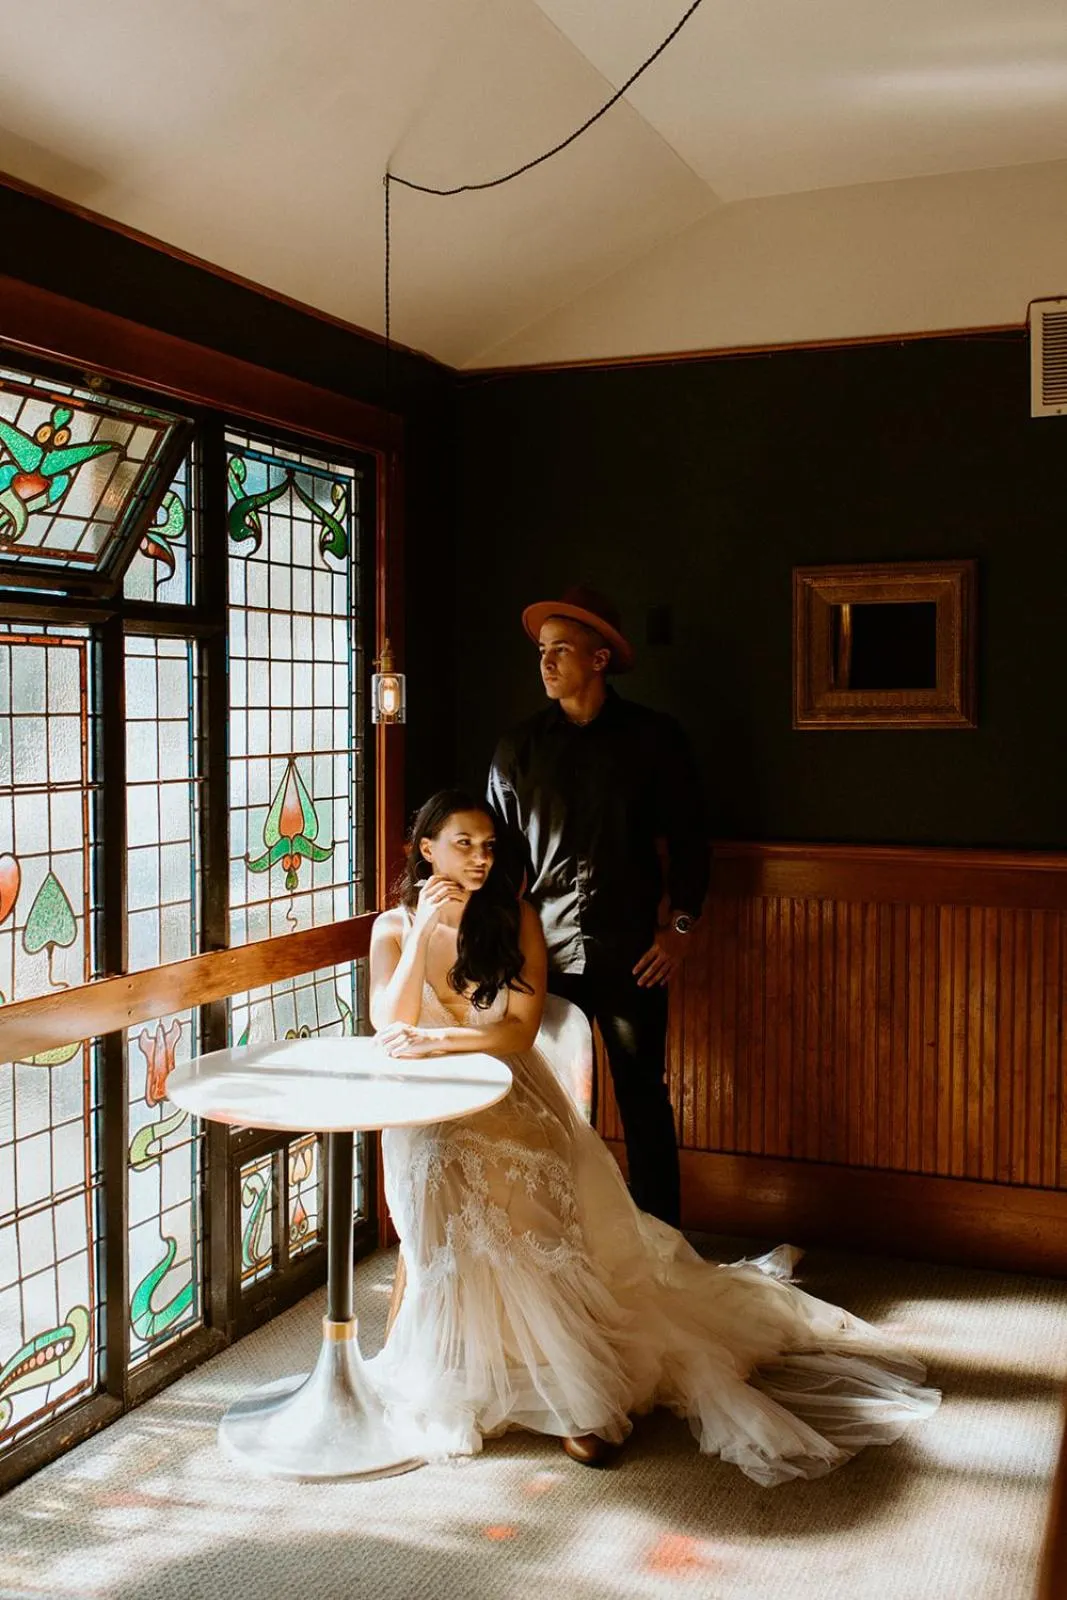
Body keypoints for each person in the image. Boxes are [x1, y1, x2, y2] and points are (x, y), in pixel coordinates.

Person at [366, 789, 939, 1476]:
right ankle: (461, 1360)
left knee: (514, 1198)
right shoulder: (392, 927)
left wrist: (439, 1042)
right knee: (431, 1156)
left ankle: (581, 1391)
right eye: (464, 844)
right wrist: (424, 935)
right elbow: (388, 1024)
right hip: (431, 1105)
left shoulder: (512, 916)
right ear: (424, 848)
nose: (481, 858)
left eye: (489, 846)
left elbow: (516, 1032)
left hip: (510, 1095)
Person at [488, 585, 707, 1227]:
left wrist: (681, 927)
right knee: (550, 1107)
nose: (546, 662)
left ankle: (664, 1246)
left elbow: (692, 840)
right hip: (541, 960)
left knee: (645, 1102)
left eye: (561, 650)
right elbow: (500, 867)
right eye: (542, 651)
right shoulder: (516, 751)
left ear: (600, 658)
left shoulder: (656, 740)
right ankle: (561, 1245)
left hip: (634, 954)